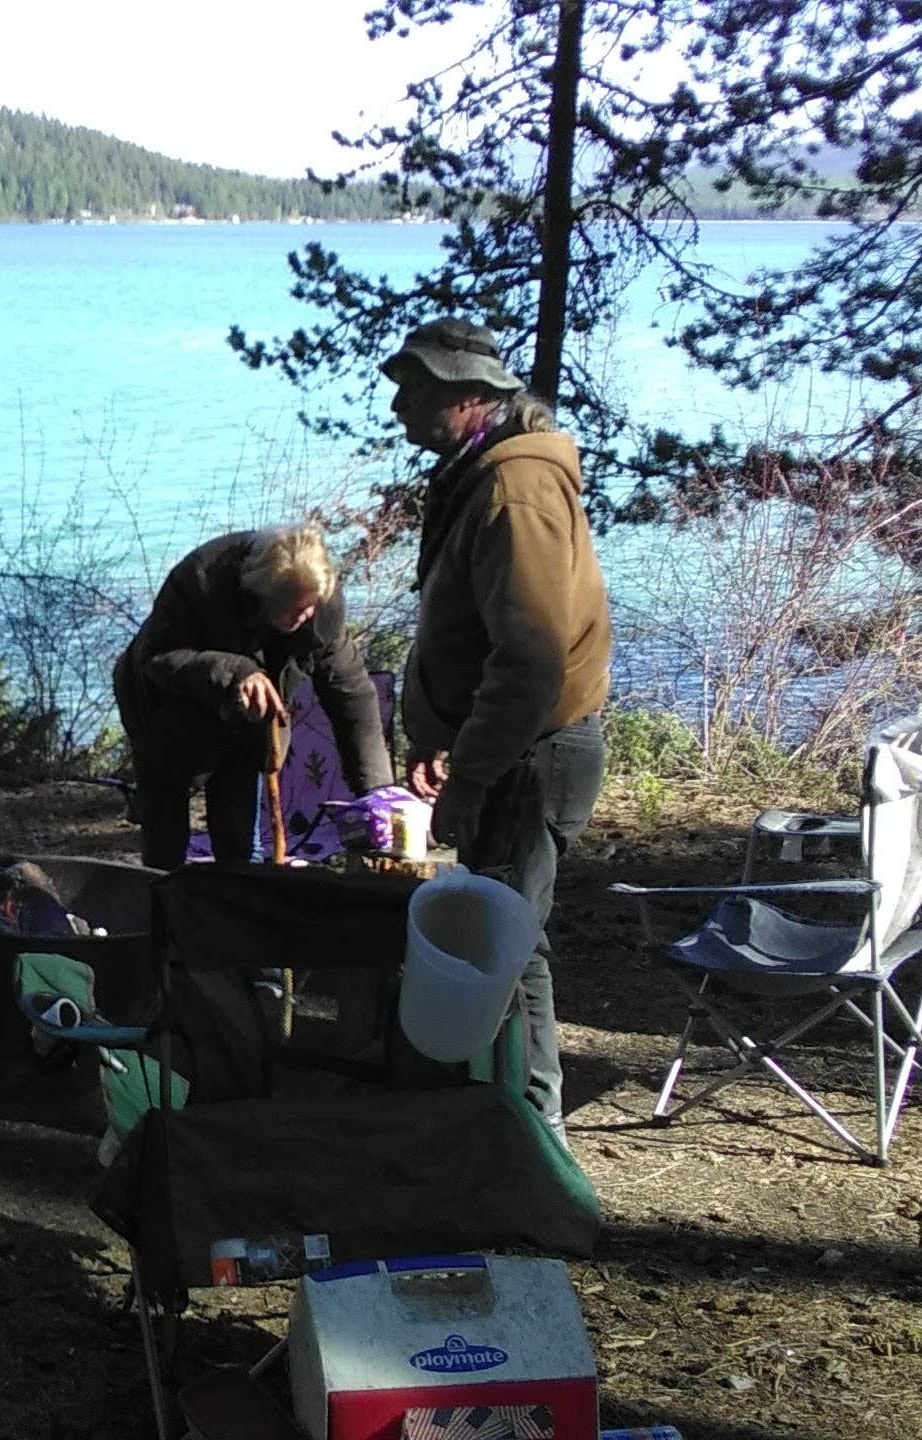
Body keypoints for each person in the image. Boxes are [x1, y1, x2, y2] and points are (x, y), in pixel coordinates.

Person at [381, 317, 611, 1140]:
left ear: (470, 396)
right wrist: (445, 738)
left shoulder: (516, 489)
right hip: (509, 749)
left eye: (417, 387)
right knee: (505, 937)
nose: (399, 401)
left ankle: (531, 1131)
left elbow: (531, 661)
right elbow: (481, 642)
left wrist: (472, 774)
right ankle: (505, 1113)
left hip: (532, 758)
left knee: (511, 945)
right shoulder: (481, 473)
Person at [112, 525, 394, 872]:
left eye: (310, 608)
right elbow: (157, 657)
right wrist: (236, 674)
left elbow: (350, 692)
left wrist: (377, 790)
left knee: (238, 840)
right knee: (165, 842)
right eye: (293, 609)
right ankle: (163, 913)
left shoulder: (320, 605)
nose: (305, 616)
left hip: (246, 727)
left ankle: (237, 911)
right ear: (262, 596)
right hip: (163, 711)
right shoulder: (201, 577)